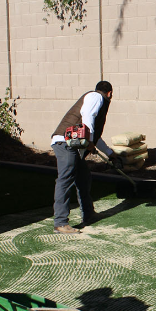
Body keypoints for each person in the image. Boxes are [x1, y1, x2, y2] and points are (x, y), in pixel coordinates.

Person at [51, 81, 123, 234]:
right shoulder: (96, 97)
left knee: (84, 178)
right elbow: (87, 116)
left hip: (74, 145)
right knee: (65, 179)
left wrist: (110, 154)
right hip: (65, 143)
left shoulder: (96, 99)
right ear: (110, 93)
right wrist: (88, 141)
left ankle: (89, 214)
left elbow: (97, 136)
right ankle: (60, 223)